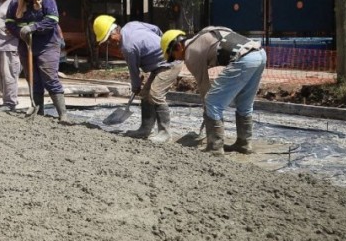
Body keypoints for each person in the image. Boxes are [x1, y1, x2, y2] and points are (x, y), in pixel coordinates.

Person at [163, 27, 267, 155]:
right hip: (259, 53)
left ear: (178, 46)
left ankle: (215, 147)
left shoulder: (190, 53)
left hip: (244, 59)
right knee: (244, 103)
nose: (178, 60)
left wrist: (208, 112)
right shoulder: (205, 32)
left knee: (212, 101)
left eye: (174, 57)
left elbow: (204, 87)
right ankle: (244, 143)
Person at [93, 15, 184, 142]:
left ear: (115, 31)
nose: (110, 43)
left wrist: (136, 86)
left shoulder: (128, 47)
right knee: (146, 94)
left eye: (109, 39)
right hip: (159, 65)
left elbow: (133, 69)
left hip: (170, 64)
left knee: (156, 94)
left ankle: (165, 133)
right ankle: (145, 129)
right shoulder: (132, 25)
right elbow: (156, 29)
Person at [5, 0, 68, 123]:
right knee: (33, 79)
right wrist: (20, 31)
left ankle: (63, 114)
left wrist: (34, 27)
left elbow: (52, 19)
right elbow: (9, 22)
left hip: (48, 44)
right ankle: (38, 111)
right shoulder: (15, 3)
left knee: (49, 76)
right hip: (27, 45)